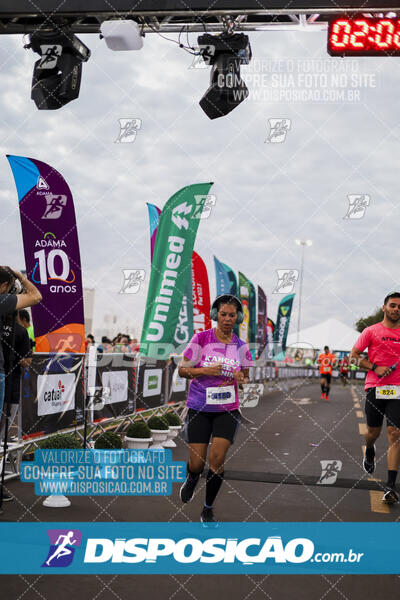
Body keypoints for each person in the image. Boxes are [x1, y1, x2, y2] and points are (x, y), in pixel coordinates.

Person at [178, 294, 252, 525]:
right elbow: (182, 370)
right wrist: (205, 371)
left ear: (238, 318)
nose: (228, 319)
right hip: (200, 407)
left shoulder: (241, 347)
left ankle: (208, 508)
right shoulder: (201, 339)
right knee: (198, 463)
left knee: (217, 459)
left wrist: (241, 378)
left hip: (227, 409)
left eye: (232, 315)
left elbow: (245, 377)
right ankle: (192, 477)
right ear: (215, 315)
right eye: (223, 314)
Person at [351, 292, 400, 504]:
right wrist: (374, 367)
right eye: (393, 305)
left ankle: (390, 487)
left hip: (397, 390)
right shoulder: (371, 331)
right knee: (373, 432)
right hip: (376, 388)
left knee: (395, 433)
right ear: (384, 308)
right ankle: (370, 450)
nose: (397, 309)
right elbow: (354, 357)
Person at [0, 267, 41, 508]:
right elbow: (35, 296)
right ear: (5, 287)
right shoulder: (3, 299)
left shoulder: (19, 329)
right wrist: (20, 275)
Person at [0, 311, 32, 501]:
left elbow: (26, 360)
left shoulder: (20, 332)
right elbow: (27, 360)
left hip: (9, 389)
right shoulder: (20, 331)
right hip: (9, 390)